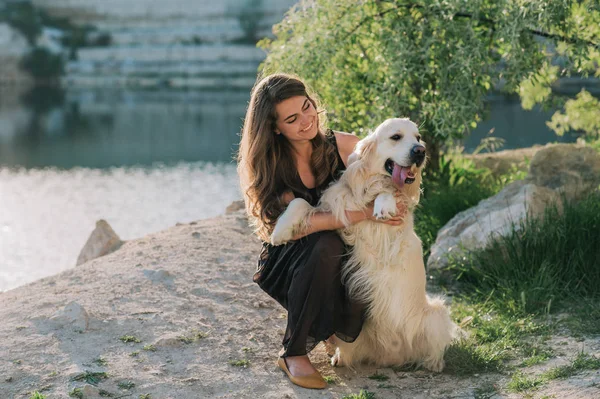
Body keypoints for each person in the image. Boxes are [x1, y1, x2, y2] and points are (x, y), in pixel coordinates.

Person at [237, 73, 406, 389]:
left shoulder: (343, 145)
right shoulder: (273, 165)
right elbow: (302, 225)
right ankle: (293, 352)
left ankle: (330, 327)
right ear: (275, 128)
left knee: (353, 277)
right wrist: (366, 213)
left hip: (345, 252)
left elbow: (389, 173)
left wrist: (393, 199)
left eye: (307, 107)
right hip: (291, 259)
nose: (306, 121)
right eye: (292, 119)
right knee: (326, 243)